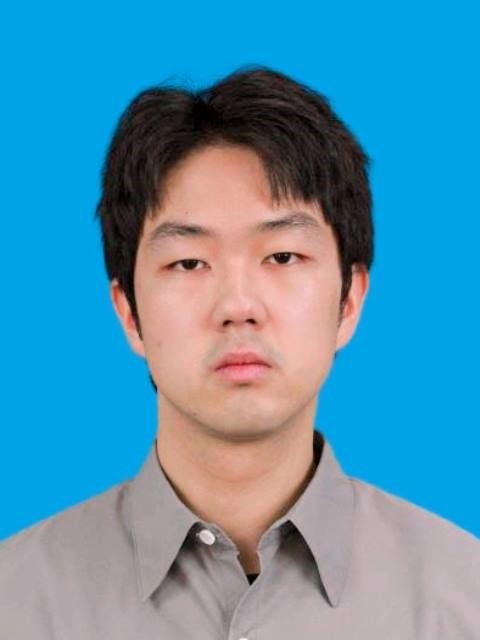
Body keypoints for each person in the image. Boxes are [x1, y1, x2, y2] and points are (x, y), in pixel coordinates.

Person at [0, 66, 478, 639]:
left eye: (281, 257)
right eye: (189, 263)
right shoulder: (16, 602)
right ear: (129, 312)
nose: (237, 305)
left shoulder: (462, 599)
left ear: (349, 300)